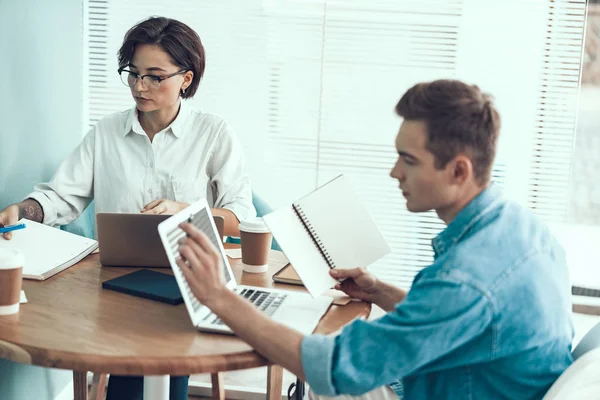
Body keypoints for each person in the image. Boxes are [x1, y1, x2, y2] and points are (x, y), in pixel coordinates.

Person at [174, 80, 574, 400]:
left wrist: (220, 299)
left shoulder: (465, 278)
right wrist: (379, 291)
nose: (394, 172)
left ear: (459, 171)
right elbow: (461, 323)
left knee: (322, 382)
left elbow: (336, 366)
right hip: (468, 379)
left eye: (409, 160)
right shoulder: (520, 227)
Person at [0, 16, 255, 400]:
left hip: (190, 278)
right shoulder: (106, 133)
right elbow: (62, 197)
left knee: (164, 362)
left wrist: (183, 210)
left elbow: (241, 217)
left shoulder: (214, 133)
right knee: (133, 366)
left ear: (185, 79)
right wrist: (24, 209)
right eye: (133, 73)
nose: (140, 86)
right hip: (118, 283)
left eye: (155, 76)